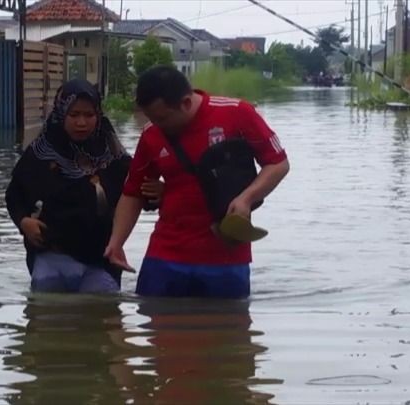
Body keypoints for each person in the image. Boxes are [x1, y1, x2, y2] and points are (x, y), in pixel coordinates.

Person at [104, 66, 290, 299]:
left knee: (229, 332)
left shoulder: (237, 113)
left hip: (225, 257)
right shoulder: (152, 134)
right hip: (165, 256)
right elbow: (133, 192)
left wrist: (246, 198)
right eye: (151, 118)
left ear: (185, 103)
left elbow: (278, 164)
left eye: (162, 118)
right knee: (155, 328)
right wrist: (117, 241)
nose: (157, 125)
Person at [6, 79, 161, 294]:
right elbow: (15, 195)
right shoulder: (40, 154)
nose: (82, 122)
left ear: (98, 115)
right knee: (46, 302)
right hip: (51, 253)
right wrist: (23, 221)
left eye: (89, 115)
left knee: (100, 301)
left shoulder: (115, 158)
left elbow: (139, 195)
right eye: (74, 115)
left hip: (101, 258)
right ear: (61, 113)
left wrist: (159, 193)